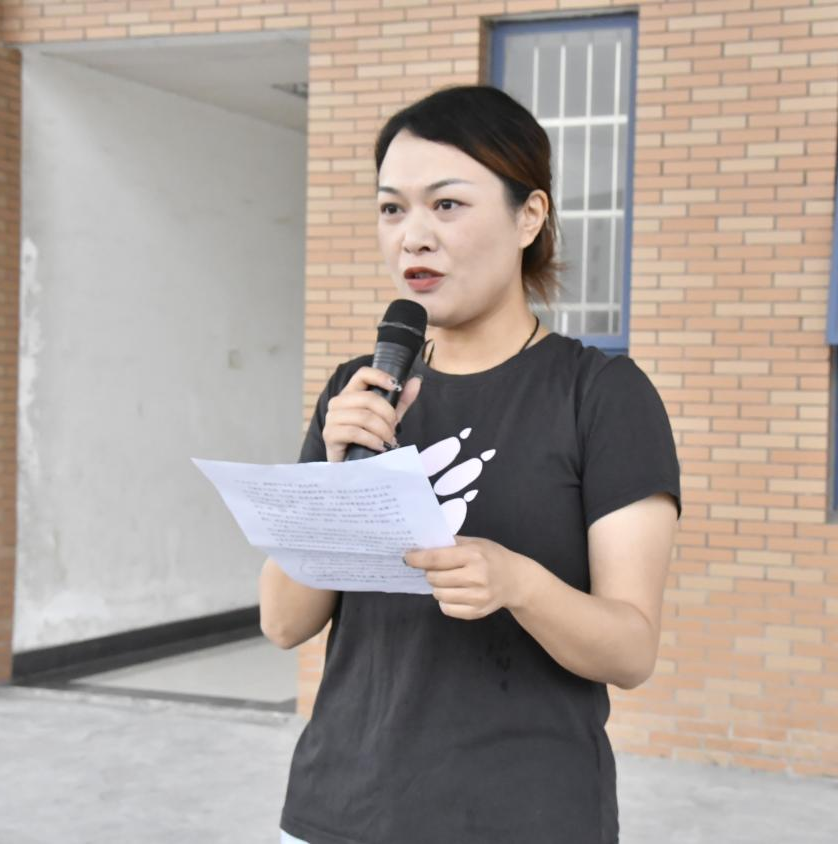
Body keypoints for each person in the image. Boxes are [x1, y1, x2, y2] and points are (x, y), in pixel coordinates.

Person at [259, 85, 682, 844]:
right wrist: (332, 480)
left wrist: (520, 585)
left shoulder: (600, 395)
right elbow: (284, 621)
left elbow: (630, 650)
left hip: (525, 818)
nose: (413, 238)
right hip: (337, 812)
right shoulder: (360, 391)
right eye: (392, 209)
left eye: (446, 205)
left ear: (529, 216)